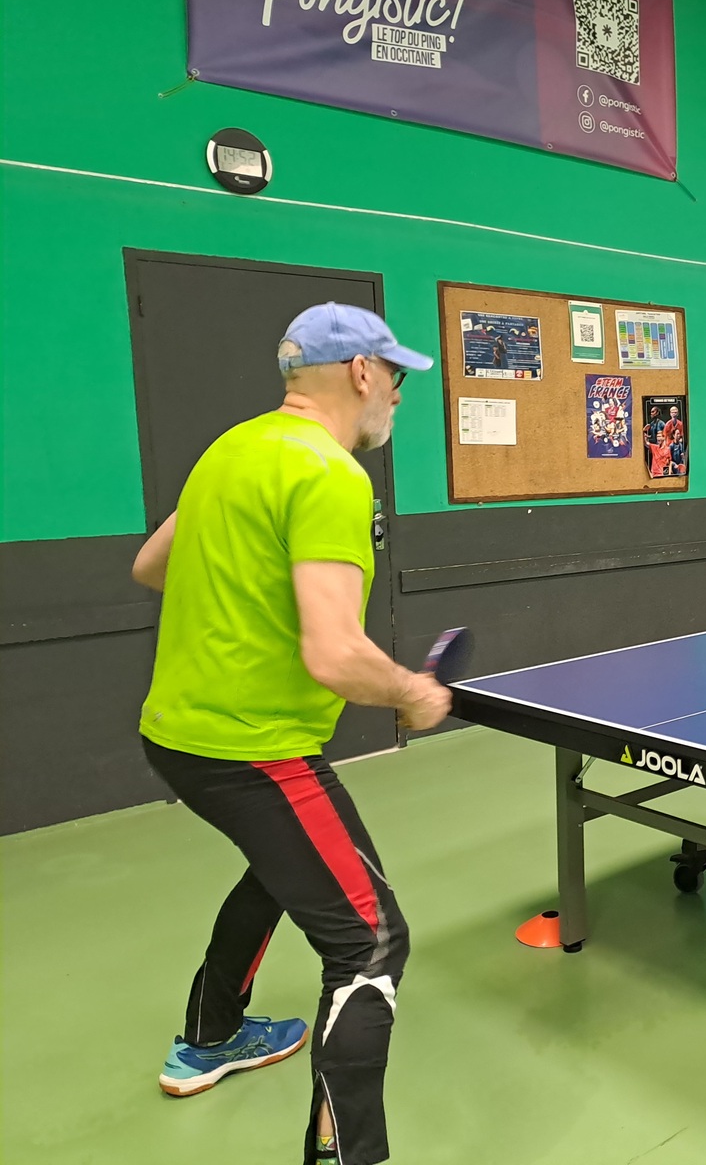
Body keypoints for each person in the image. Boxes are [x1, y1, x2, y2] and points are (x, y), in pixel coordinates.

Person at [131, 302, 454, 1165]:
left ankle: (212, 1036)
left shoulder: (231, 450)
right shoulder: (330, 475)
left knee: (285, 868)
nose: (398, 394)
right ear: (361, 373)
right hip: (253, 750)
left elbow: (151, 566)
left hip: (176, 735)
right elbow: (337, 654)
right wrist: (413, 694)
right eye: (395, 376)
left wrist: (242, 598)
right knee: (370, 942)